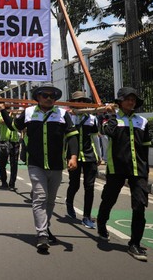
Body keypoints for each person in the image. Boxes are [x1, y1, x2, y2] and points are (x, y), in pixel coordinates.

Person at [0, 82, 78, 251]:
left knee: (50, 200)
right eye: (45, 95)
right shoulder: (28, 113)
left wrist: (73, 156)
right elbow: (14, 126)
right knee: (40, 197)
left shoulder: (63, 114)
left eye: (52, 96)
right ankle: (41, 234)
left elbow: (71, 136)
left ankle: (45, 228)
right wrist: (3, 110)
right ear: (38, 97)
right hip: (36, 163)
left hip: (56, 164)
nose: (49, 98)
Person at [96, 87, 151, 262]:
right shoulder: (111, 120)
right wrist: (112, 115)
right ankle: (101, 222)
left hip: (138, 169)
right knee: (109, 199)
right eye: (127, 99)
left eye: (133, 99)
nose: (131, 102)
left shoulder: (142, 121)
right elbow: (109, 133)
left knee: (140, 205)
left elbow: (146, 146)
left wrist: (146, 169)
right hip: (117, 168)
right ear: (119, 102)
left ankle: (134, 243)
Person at [65, 91, 101, 229]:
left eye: (83, 101)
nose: (81, 103)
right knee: (74, 184)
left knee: (89, 186)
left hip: (89, 156)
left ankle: (86, 216)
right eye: (78, 101)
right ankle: (69, 202)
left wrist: (99, 155)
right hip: (73, 157)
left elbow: (95, 138)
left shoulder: (92, 119)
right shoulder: (68, 117)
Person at [0, 111, 20, 191]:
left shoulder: (15, 116)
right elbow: (2, 121)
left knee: (14, 164)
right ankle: (4, 181)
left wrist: (14, 117)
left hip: (14, 141)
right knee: (2, 163)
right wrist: (8, 115)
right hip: (4, 142)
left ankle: (12, 183)